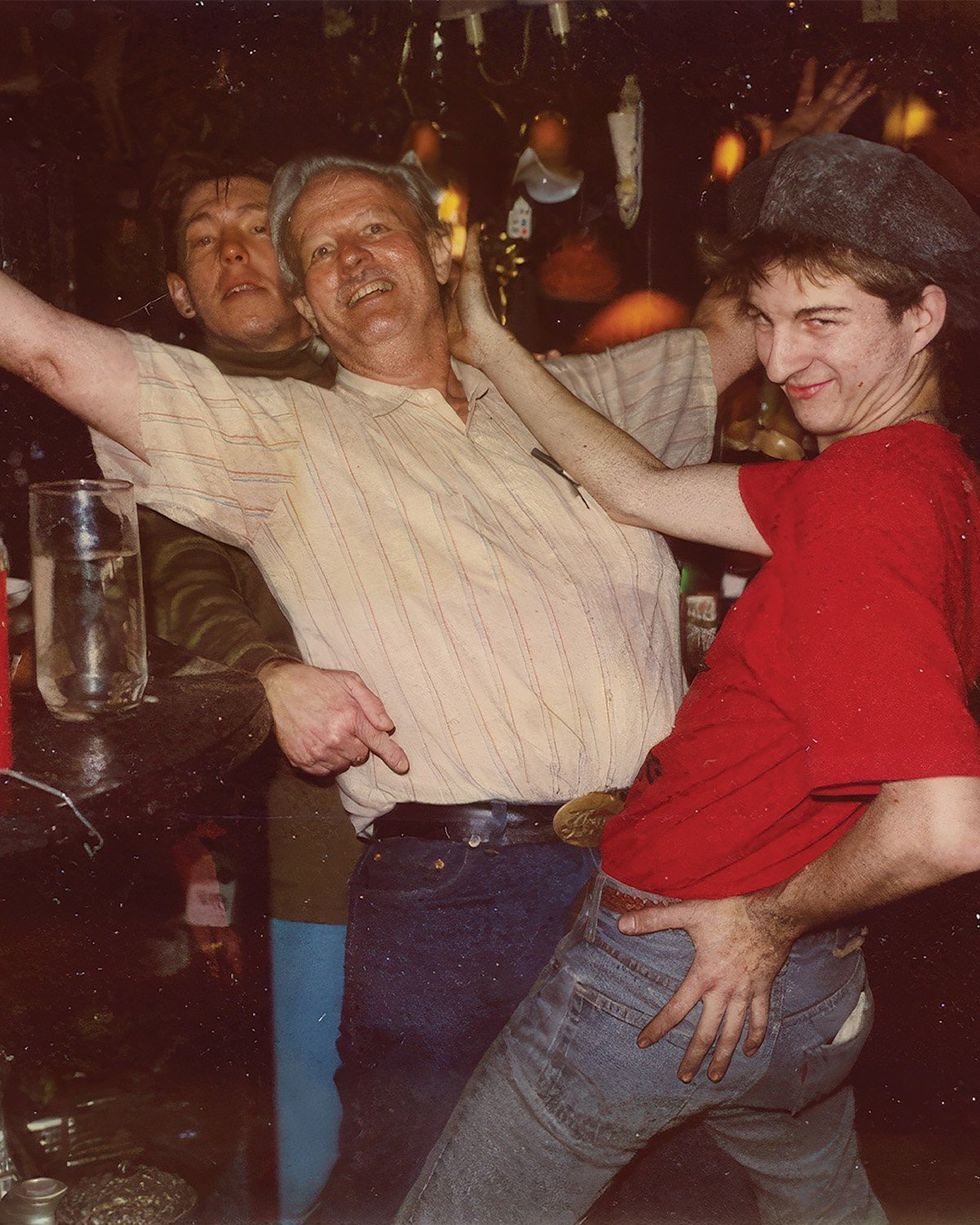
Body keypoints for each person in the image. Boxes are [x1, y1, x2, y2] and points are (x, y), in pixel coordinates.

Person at [393, 132, 980, 1225]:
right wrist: (487, 343)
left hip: (674, 966)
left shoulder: (860, 504)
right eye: (761, 319)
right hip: (812, 996)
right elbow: (631, 484)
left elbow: (947, 824)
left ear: (922, 315)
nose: (779, 356)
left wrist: (762, 920)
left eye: (821, 320)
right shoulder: (913, 472)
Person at [141, 149, 361, 1225]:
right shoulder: (174, 416)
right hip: (313, 815)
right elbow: (177, 581)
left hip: (497, 803)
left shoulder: (384, 378)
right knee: (314, 1107)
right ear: (182, 295)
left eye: (255, 225)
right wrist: (271, 666)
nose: (235, 249)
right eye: (202, 235)